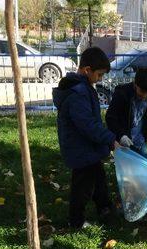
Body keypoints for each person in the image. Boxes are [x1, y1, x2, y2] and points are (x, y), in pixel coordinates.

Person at [52, 47, 117, 229]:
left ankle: (105, 208)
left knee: (99, 179)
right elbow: (88, 125)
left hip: (88, 148)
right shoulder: (78, 93)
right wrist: (111, 140)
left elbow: (91, 122)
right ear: (87, 70)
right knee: (82, 188)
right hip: (80, 150)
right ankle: (76, 221)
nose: (101, 79)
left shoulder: (84, 88)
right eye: (99, 74)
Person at [105, 67, 147, 159]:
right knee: (129, 171)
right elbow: (110, 118)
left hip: (140, 141)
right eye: (142, 92)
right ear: (135, 83)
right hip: (125, 143)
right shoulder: (122, 93)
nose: (144, 96)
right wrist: (121, 136)